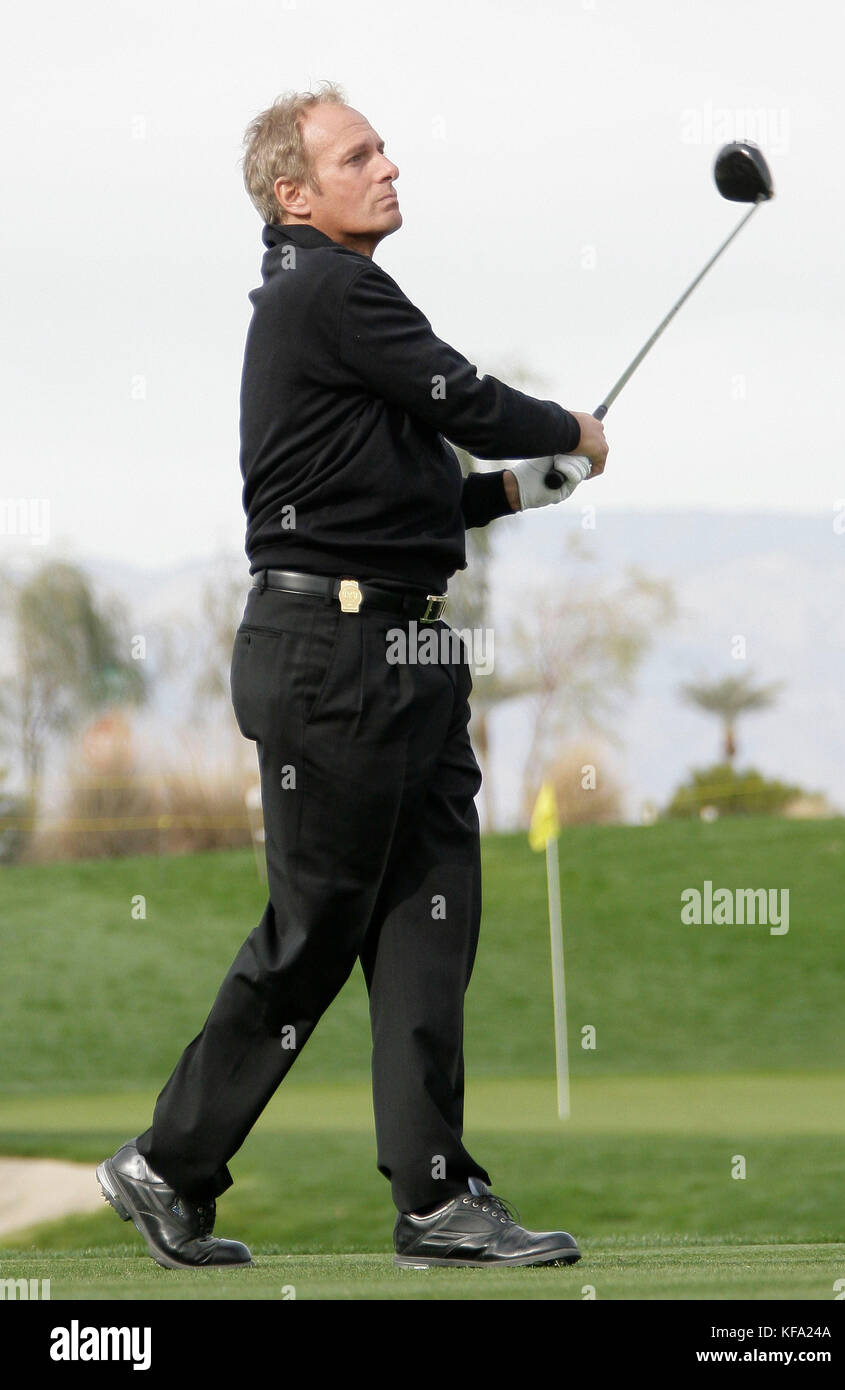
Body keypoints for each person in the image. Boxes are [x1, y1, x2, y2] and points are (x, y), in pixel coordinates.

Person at [96, 82, 608, 1271]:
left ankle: (436, 1203)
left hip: (408, 652)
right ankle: (167, 1163)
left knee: (432, 918)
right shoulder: (332, 287)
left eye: (383, 150)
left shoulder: (326, 306)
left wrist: (521, 489)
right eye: (358, 154)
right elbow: (461, 397)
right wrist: (563, 429)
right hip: (332, 658)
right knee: (320, 924)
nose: (388, 168)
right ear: (295, 193)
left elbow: (408, 493)